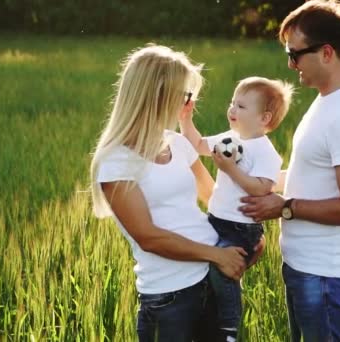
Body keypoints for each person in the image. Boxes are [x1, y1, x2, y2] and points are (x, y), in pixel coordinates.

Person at [238, 1, 340, 341]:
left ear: (327, 52)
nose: (290, 64)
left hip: (327, 280)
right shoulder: (328, 100)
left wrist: (284, 206)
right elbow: (315, 177)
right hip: (307, 272)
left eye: (296, 54)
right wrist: (259, 181)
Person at [90, 44, 250, 342]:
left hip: (213, 280)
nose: (188, 101)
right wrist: (217, 254)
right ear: (155, 94)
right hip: (170, 298)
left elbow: (211, 195)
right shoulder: (116, 161)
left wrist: (247, 233)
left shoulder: (176, 143)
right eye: (184, 93)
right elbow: (148, 237)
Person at [179, 76, 293, 341]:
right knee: (202, 272)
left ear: (264, 118)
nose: (232, 109)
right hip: (215, 220)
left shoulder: (265, 152)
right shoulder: (229, 138)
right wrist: (185, 119)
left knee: (223, 272)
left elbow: (262, 188)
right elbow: (196, 145)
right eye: (232, 103)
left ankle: (228, 327)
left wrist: (230, 170)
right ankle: (204, 323)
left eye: (241, 106)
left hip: (241, 229)